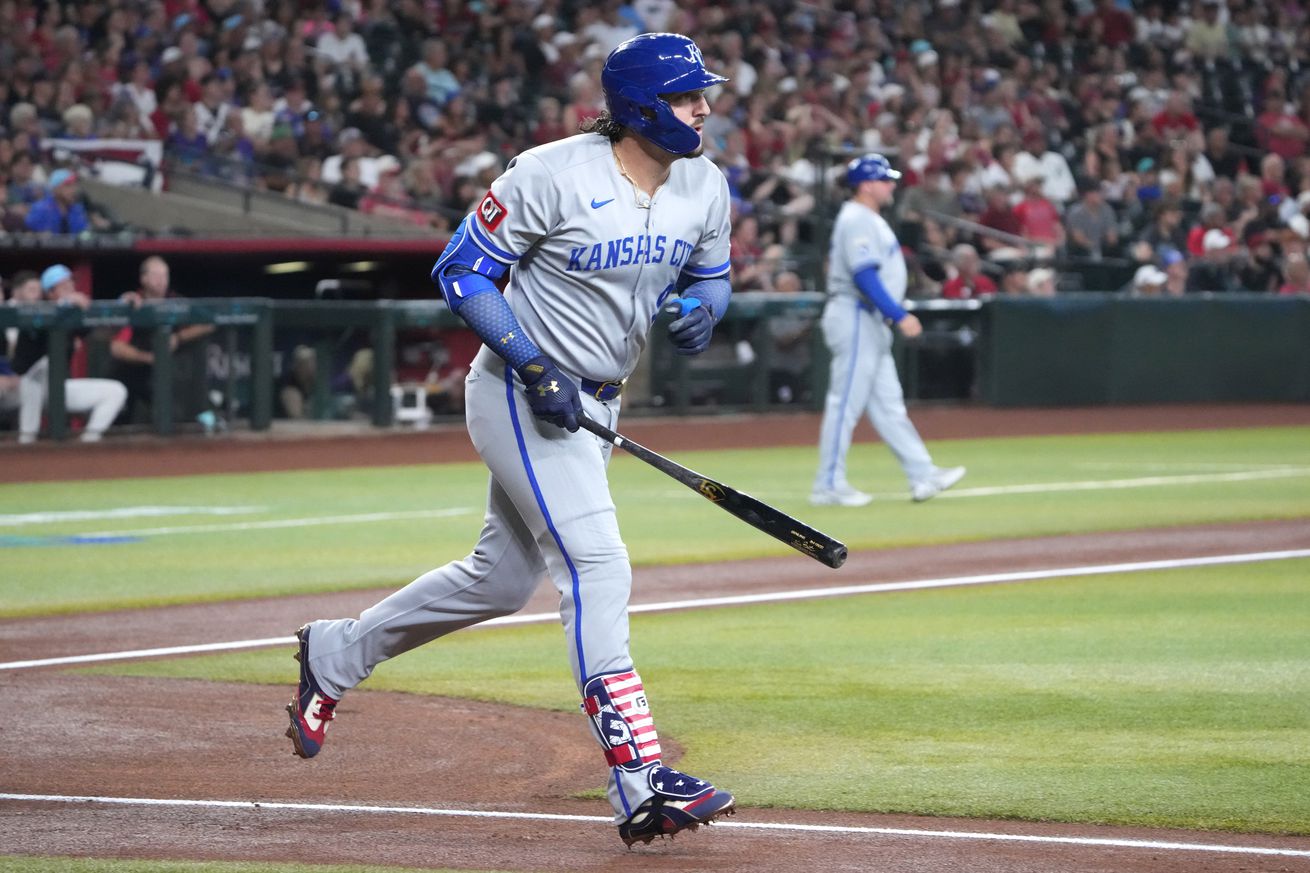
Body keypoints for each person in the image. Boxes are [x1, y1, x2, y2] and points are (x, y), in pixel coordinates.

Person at [285, 33, 737, 848]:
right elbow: (462, 271)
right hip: (518, 393)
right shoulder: (551, 172)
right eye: (685, 97)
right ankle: (638, 774)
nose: (704, 108)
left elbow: (712, 273)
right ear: (638, 107)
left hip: (595, 407)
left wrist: (708, 307)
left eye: (703, 94)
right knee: (598, 564)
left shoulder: (704, 184)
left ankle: (337, 652)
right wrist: (531, 363)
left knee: (498, 580)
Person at [810, 154, 966, 507]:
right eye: (885, 179)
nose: (891, 184)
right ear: (866, 184)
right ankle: (828, 485)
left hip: (868, 321)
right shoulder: (857, 218)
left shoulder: (868, 218)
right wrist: (897, 314)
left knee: (888, 406)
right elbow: (864, 275)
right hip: (855, 314)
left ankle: (922, 474)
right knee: (844, 403)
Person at [9, 264, 126, 444]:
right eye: (64, 287)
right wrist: (64, 304)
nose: (71, 290)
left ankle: (89, 441)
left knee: (116, 391)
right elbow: (24, 366)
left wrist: (123, 307)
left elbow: (102, 333)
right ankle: (27, 440)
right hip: (25, 388)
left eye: (71, 284)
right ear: (50, 293)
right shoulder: (37, 312)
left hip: (58, 389)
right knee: (42, 368)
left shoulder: (73, 316)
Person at [109, 256, 215, 423]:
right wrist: (148, 358)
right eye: (156, 276)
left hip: (162, 374)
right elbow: (117, 347)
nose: (162, 281)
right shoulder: (133, 302)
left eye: (165, 276)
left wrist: (178, 337)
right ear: (143, 278)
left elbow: (208, 322)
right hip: (130, 372)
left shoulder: (175, 300)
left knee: (179, 399)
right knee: (121, 418)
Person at [23, 168, 89, 235]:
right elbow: (28, 235)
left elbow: (84, 235)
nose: (73, 190)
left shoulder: (77, 210)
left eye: (74, 185)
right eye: (68, 185)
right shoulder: (40, 209)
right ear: (55, 188)